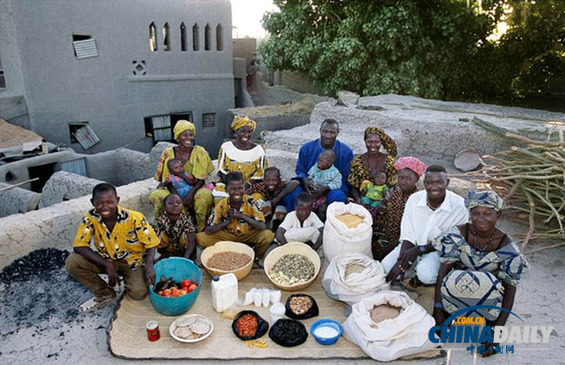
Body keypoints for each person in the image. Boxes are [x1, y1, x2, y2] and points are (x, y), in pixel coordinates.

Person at [432, 191, 529, 356]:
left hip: (489, 298)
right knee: (453, 279)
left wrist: (496, 333)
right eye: (475, 213)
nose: (480, 218)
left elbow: (510, 291)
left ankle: (488, 324)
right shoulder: (458, 234)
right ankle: (451, 314)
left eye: (488, 213)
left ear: (498, 215)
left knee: (487, 285)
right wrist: (439, 311)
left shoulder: (508, 248)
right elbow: (443, 272)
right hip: (457, 287)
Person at [65, 183, 159, 312]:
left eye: (110, 202)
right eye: (99, 203)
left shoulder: (134, 218)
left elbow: (152, 244)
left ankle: (126, 278)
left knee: (139, 294)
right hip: (106, 259)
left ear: (117, 200)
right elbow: (79, 246)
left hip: (132, 261)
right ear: (93, 202)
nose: (105, 207)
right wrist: (107, 265)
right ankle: (105, 293)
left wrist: (149, 267)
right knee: (72, 262)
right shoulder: (90, 218)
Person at [382, 165, 468, 285]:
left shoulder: (460, 206)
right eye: (429, 182)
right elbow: (408, 234)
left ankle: (420, 274)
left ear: (447, 182)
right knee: (386, 267)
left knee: (426, 275)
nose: (434, 187)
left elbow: (449, 242)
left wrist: (417, 251)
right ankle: (411, 270)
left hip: (437, 251)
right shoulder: (414, 199)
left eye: (439, 182)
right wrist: (401, 261)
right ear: (424, 183)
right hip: (412, 246)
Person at [149, 120, 214, 231]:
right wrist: (176, 196)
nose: (188, 138)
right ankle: (162, 228)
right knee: (157, 195)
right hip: (172, 188)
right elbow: (167, 180)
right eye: (184, 135)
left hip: (194, 187)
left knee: (204, 195)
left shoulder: (200, 152)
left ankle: (200, 229)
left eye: (191, 134)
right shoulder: (168, 153)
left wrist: (190, 194)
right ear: (178, 137)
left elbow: (201, 179)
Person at [197, 172, 274, 259]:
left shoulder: (252, 202)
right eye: (233, 189)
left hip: (248, 234)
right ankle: (227, 253)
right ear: (227, 190)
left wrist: (242, 216)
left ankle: (255, 256)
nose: (237, 192)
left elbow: (262, 226)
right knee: (201, 237)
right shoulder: (221, 204)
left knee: (268, 235)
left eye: (240, 188)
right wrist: (227, 222)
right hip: (228, 235)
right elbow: (208, 230)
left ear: (244, 188)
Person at [289, 119, 353, 213]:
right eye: (325, 131)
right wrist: (305, 180)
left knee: (337, 197)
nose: (328, 136)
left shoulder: (346, 152)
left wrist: (327, 187)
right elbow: (301, 170)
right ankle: (293, 219)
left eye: (332, 132)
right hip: (310, 186)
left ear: (337, 133)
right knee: (294, 193)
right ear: (320, 131)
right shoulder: (307, 148)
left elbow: (345, 176)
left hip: (333, 188)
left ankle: (330, 223)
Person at [348, 126, 398, 238]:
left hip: (382, 200)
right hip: (363, 199)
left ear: (381, 142)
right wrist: (358, 199)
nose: (373, 145)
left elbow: (392, 185)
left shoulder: (389, 161)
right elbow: (353, 185)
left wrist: (385, 200)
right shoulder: (357, 161)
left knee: (388, 210)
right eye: (369, 141)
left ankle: (381, 241)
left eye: (376, 141)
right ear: (365, 141)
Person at [379, 157, 427, 259]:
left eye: (409, 179)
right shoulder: (396, 193)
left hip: (408, 242)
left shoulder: (418, 199)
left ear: (417, 179)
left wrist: (393, 245)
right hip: (392, 235)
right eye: (401, 177)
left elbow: (414, 230)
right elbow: (391, 217)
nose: (404, 182)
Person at [217, 115, 268, 185]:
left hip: (250, 187)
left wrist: (246, 186)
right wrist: (232, 186)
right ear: (236, 132)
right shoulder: (226, 147)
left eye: (249, 132)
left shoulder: (258, 151)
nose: (246, 135)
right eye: (243, 131)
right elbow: (222, 170)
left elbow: (261, 173)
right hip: (229, 186)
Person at [249, 166, 299, 231]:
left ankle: (276, 228)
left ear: (279, 180)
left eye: (274, 180)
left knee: (281, 208)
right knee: (266, 204)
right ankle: (265, 226)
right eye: (267, 180)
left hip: (276, 208)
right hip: (264, 209)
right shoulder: (259, 186)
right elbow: (247, 192)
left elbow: (296, 182)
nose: (271, 183)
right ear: (264, 180)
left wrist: (277, 198)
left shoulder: (280, 184)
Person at [152, 194, 197, 260]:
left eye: (179, 203)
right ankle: (165, 255)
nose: (176, 205)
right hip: (168, 249)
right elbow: (152, 241)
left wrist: (185, 259)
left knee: (187, 236)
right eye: (170, 203)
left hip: (183, 251)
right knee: (159, 235)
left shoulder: (186, 220)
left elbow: (192, 241)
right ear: (164, 207)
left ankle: (184, 256)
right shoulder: (161, 220)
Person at [307, 149, 342, 220]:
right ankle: (311, 222)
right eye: (318, 160)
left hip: (323, 197)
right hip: (313, 194)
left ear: (329, 163)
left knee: (322, 210)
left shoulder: (335, 172)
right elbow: (309, 176)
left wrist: (327, 187)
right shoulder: (315, 168)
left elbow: (338, 183)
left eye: (321, 161)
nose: (318, 162)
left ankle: (322, 222)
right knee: (309, 209)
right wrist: (310, 184)